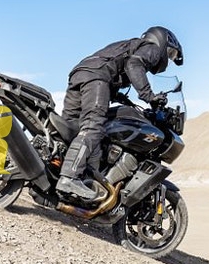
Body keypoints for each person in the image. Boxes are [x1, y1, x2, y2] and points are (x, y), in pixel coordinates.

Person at [56, 26, 184, 201]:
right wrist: (149, 96)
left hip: (81, 74)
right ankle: (69, 177)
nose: (168, 59)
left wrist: (122, 99)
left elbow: (119, 69)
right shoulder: (152, 48)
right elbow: (134, 64)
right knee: (93, 126)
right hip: (97, 75)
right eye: (170, 53)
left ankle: (56, 172)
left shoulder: (130, 46)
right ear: (161, 42)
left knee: (71, 128)